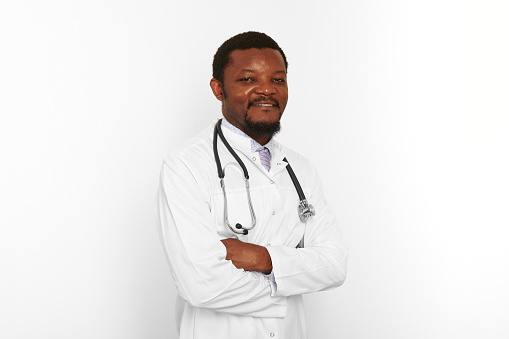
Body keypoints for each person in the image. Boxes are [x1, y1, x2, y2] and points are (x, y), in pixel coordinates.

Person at [155, 31, 348, 339]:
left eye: (278, 80)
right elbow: (201, 286)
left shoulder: (302, 170)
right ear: (218, 89)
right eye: (247, 80)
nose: (266, 90)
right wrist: (292, 276)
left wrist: (262, 258)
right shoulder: (186, 166)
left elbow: (335, 265)